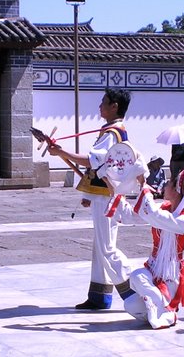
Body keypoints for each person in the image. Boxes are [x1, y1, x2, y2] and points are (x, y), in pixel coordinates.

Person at [47, 88, 137, 310]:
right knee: (100, 247)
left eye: (103, 102)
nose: (99, 106)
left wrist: (62, 153)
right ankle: (99, 297)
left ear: (114, 106)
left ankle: (137, 291)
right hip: (104, 195)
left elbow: (92, 161)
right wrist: (88, 193)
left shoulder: (112, 133)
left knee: (106, 248)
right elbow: (100, 166)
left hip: (107, 198)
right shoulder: (113, 131)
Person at [118, 165, 184, 329]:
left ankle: (164, 310)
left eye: (169, 183)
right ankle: (163, 310)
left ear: (178, 190)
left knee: (136, 276)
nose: (165, 185)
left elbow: (154, 215)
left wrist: (144, 186)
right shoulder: (164, 207)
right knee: (130, 305)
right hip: (154, 266)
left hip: (170, 273)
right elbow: (137, 216)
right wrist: (115, 191)